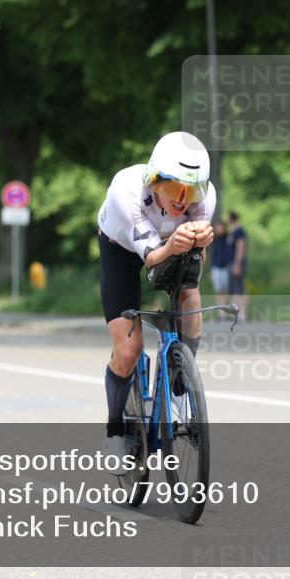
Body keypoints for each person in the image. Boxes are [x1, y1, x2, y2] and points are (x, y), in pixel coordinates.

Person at [95, 132, 216, 472]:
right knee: (129, 349)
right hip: (122, 247)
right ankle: (115, 431)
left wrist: (200, 242)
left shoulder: (205, 199)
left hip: (170, 243)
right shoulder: (126, 191)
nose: (182, 200)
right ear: (155, 180)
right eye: (174, 188)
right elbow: (151, 258)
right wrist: (175, 243)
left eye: (191, 191)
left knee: (190, 293)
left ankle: (180, 381)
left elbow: (194, 262)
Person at [227, 211, 248, 321]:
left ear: (232, 218)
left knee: (239, 289)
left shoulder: (239, 231)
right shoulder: (233, 231)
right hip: (231, 263)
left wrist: (238, 264)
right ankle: (235, 314)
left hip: (237, 263)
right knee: (234, 289)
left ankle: (242, 314)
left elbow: (240, 248)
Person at [209, 221, 231, 302]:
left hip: (226, 268)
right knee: (218, 290)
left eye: (220, 227)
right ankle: (220, 308)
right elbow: (213, 255)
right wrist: (211, 270)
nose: (218, 229)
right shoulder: (215, 239)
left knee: (225, 290)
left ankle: (225, 306)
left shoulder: (228, 238)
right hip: (216, 268)